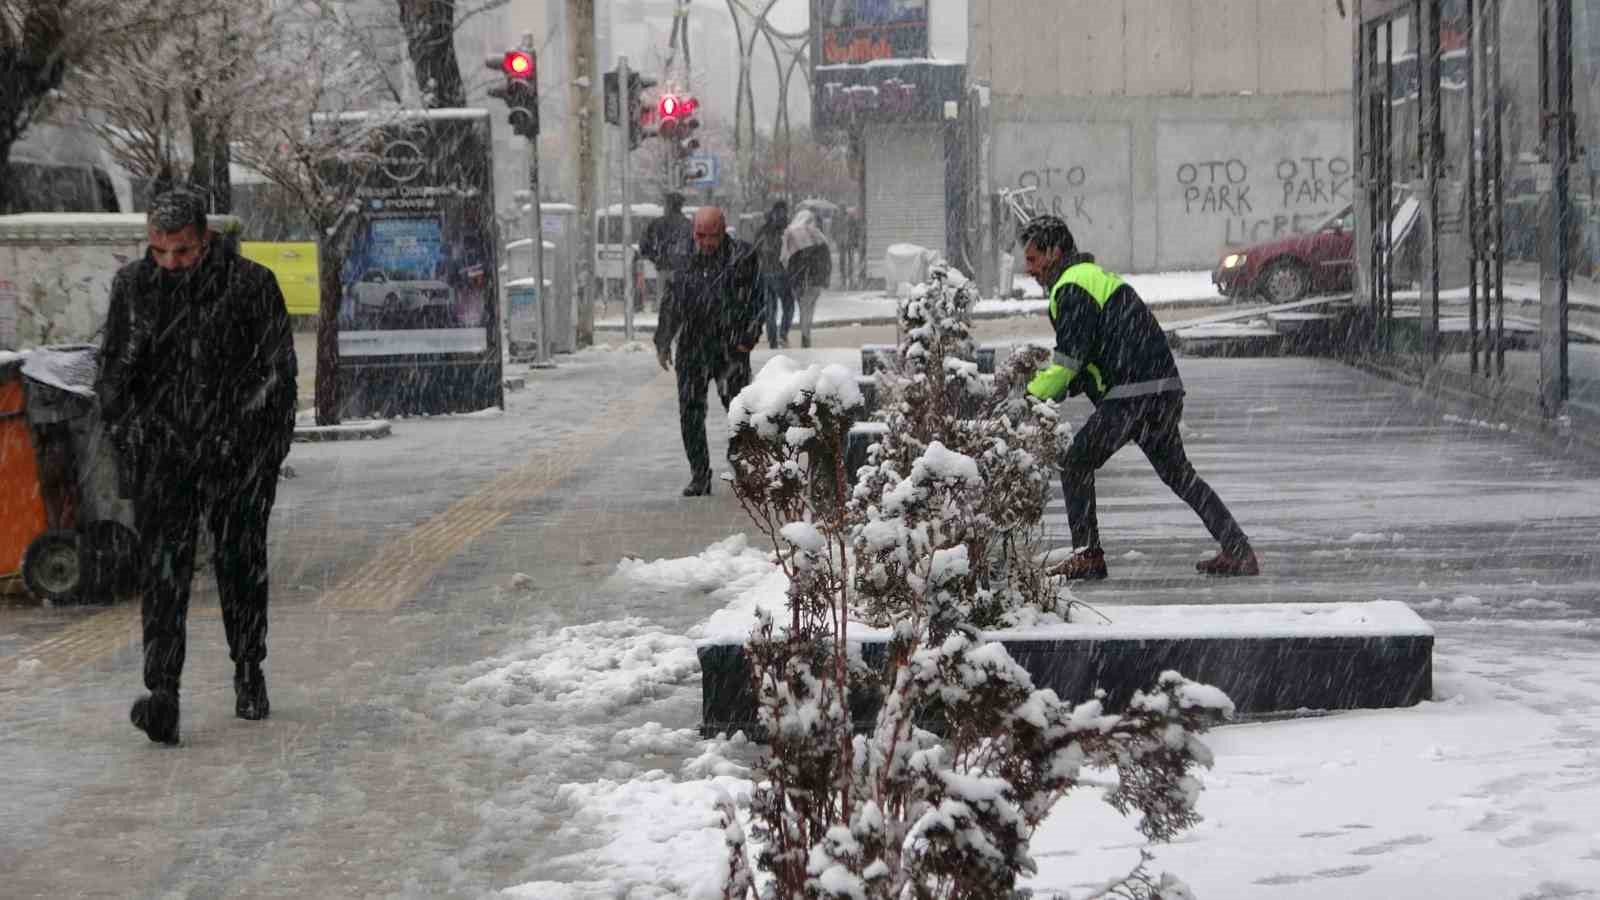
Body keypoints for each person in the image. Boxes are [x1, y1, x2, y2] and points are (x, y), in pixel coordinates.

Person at [95, 187, 298, 744]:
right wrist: (131, 434)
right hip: (164, 455)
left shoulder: (250, 284)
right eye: (158, 251)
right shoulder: (134, 288)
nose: (169, 263)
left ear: (205, 240)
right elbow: (113, 373)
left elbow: (279, 371)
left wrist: (264, 449)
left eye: (181, 252)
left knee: (240, 564)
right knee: (162, 575)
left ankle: (248, 667)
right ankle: (163, 692)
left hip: (237, 456)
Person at [1020, 215, 1258, 581]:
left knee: (1075, 464)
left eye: (1034, 259)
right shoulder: (1094, 278)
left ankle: (1088, 555)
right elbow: (1094, 356)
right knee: (1180, 476)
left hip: (1132, 395)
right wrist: (1068, 383)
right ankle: (1238, 550)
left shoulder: (1071, 286)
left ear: (1054, 252)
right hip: (1161, 389)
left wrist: (1027, 397)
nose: (1029, 269)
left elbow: (1069, 361)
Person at [654, 206, 763, 497]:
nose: (705, 243)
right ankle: (699, 474)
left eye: (711, 236)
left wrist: (747, 338)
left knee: (739, 410)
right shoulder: (684, 258)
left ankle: (742, 466)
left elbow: (757, 300)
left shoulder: (742, 257)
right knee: (690, 413)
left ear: (723, 231)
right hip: (692, 347)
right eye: (700, 236)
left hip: (731, 346)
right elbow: (671, 301)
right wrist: (663, 340)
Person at [782, 209, 833, 348]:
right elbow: (826, 260)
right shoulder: (819, 236)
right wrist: (825, 278)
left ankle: (805, 335)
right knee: (810, 308)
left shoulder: (791, 235)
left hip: (799, 280)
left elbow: (786, 258)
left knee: (803, 308)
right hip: (815, 279)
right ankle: (806, 335)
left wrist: (791, 277)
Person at [639, 192, 694, 313]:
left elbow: (643, 244)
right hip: (682, 270)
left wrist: (655, 257)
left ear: (669, 205)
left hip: (664, 268)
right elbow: (695, 248)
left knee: (663, 301)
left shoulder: (658, 223)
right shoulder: (688, 224)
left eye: (665, 204)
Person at [753, 200, 794, 348]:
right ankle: (782, 334)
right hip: (782, 273)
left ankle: (772, 339)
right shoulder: (787, 228)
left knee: (770, 307)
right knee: (788, 304)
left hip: (765, 274)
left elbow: (754, 251)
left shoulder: (762, 230)